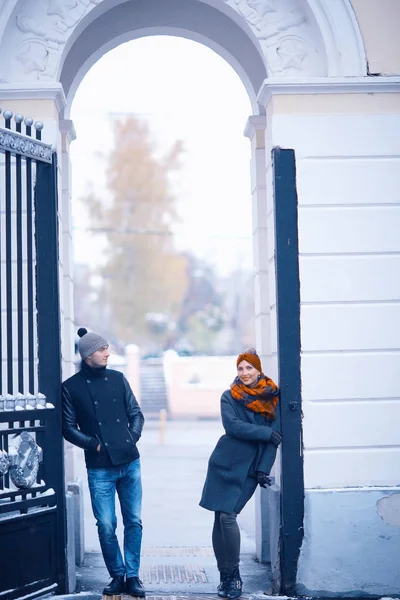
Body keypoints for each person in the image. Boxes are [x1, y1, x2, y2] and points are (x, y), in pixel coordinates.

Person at [62, 328, 145, 597]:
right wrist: (94, 444)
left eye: (107, 348)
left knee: (133, 520)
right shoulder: (70, 388)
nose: (107, 353)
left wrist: (130, 439)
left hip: (129, 462)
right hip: (99, 467)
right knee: (107, 524)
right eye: (101, 349)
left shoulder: (119, 379)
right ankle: (117, 575)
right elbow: (68, 427)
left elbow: (136, 414)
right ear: (87, 355)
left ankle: (132, 576)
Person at [199, 348, 281, 599]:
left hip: (250, 468)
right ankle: (225, 577)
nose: (244, 373)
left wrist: (263, 469)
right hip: (224, 463)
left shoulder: (273, 398)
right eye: (240, 368)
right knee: (218, 517)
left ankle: (233, 577)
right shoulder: (229, 396)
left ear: (259, 370)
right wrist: (265, 432)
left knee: (228, 516)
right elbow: (232, 426)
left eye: (249, 368)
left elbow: (274, 441)